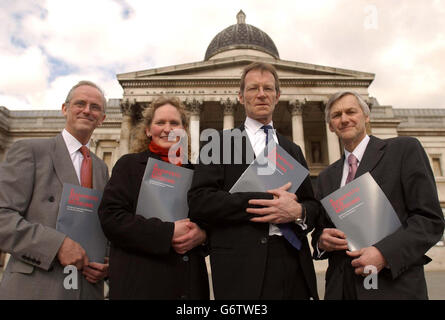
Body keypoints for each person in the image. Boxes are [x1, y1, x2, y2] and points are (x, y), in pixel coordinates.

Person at [188, 62, 319, 300]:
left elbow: (312, 205)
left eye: (268, 88)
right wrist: (264, 201)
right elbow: (200, 202)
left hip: (293, 263)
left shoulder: (293, 149)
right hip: (241, 266)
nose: (261, 94)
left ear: (277, 96)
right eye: (253, 88)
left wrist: (298, 210)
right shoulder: (218, 144)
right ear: (240, 96)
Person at [312, 91, 445, 299]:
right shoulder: (326, 177)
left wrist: (384, 253)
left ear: (366, 116)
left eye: (351, 111)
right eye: (336, 115)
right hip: (342, 290)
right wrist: (321, 241)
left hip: (393, 287)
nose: (344, 119)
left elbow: (430, 220)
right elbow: (320, 230)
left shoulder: (403, 150)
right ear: (330, 125)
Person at [0, 80, 109, 299]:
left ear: (102, 118)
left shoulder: (101, 168)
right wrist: (56, 245)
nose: (87, 111)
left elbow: (99, 226)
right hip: (37, 287)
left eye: (95, 107)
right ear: (65, 108)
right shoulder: (30, 151)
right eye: (80, 103)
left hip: (86, 289)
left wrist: (107, 263)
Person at [98, 96, 209, 300]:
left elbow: (212, 222)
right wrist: (168, 232)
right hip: (140, 283)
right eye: (160, 123)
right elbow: (111, 218)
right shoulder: (129, 166)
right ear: (148, 130)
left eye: (174, 123)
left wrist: (203, 236)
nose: (167, 129)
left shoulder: (197, 174)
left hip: (188, 287)